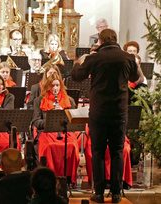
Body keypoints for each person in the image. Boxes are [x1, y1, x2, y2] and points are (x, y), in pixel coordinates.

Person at [71, 29, 140, 203]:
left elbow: (77, 76)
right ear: (116, 40)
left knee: (98, 152)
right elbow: (136, 76)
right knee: (117, 151)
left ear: (100, 41)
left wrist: (79, 62)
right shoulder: (127, 57)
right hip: (119, 111)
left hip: (99, 112)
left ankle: (99, 193)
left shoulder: (94, 58)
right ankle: (116, 194)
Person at [31, 74, 79, 183]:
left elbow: (74, 120)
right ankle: (50, 177)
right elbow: (36, 121)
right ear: (47, 87)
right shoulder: (39, 100)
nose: (55, 88)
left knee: (72, 146)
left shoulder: (69, 100)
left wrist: (63, 114)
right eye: (52, 86)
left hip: (65, 132)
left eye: (57, 85)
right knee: (48, 147)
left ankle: (68, 178)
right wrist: (51, 120)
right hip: (46, 132)